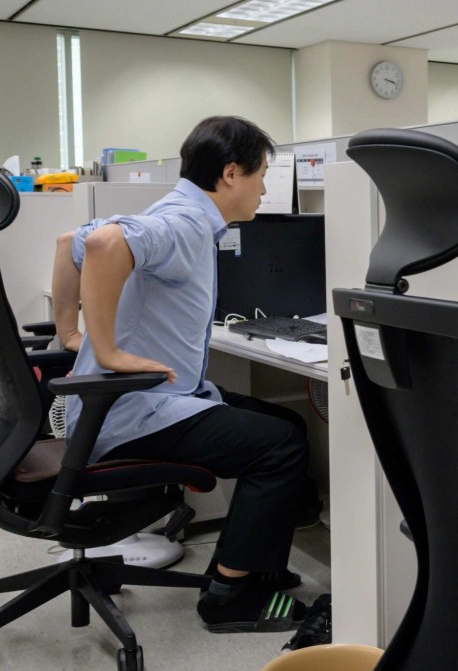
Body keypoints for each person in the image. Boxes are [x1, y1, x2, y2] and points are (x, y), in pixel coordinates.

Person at [53, 116, 320, 633]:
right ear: (231, 174)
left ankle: (259, 566)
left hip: (126, 403)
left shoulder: (175, 211)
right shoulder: (188, 223)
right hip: (131, 412)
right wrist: (105, 350)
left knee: (284, 423)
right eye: (262, 175)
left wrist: (69, 333)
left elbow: (69, 243)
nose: (265, 189)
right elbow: (104, 244)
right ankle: (229, 596)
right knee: (279, 447)